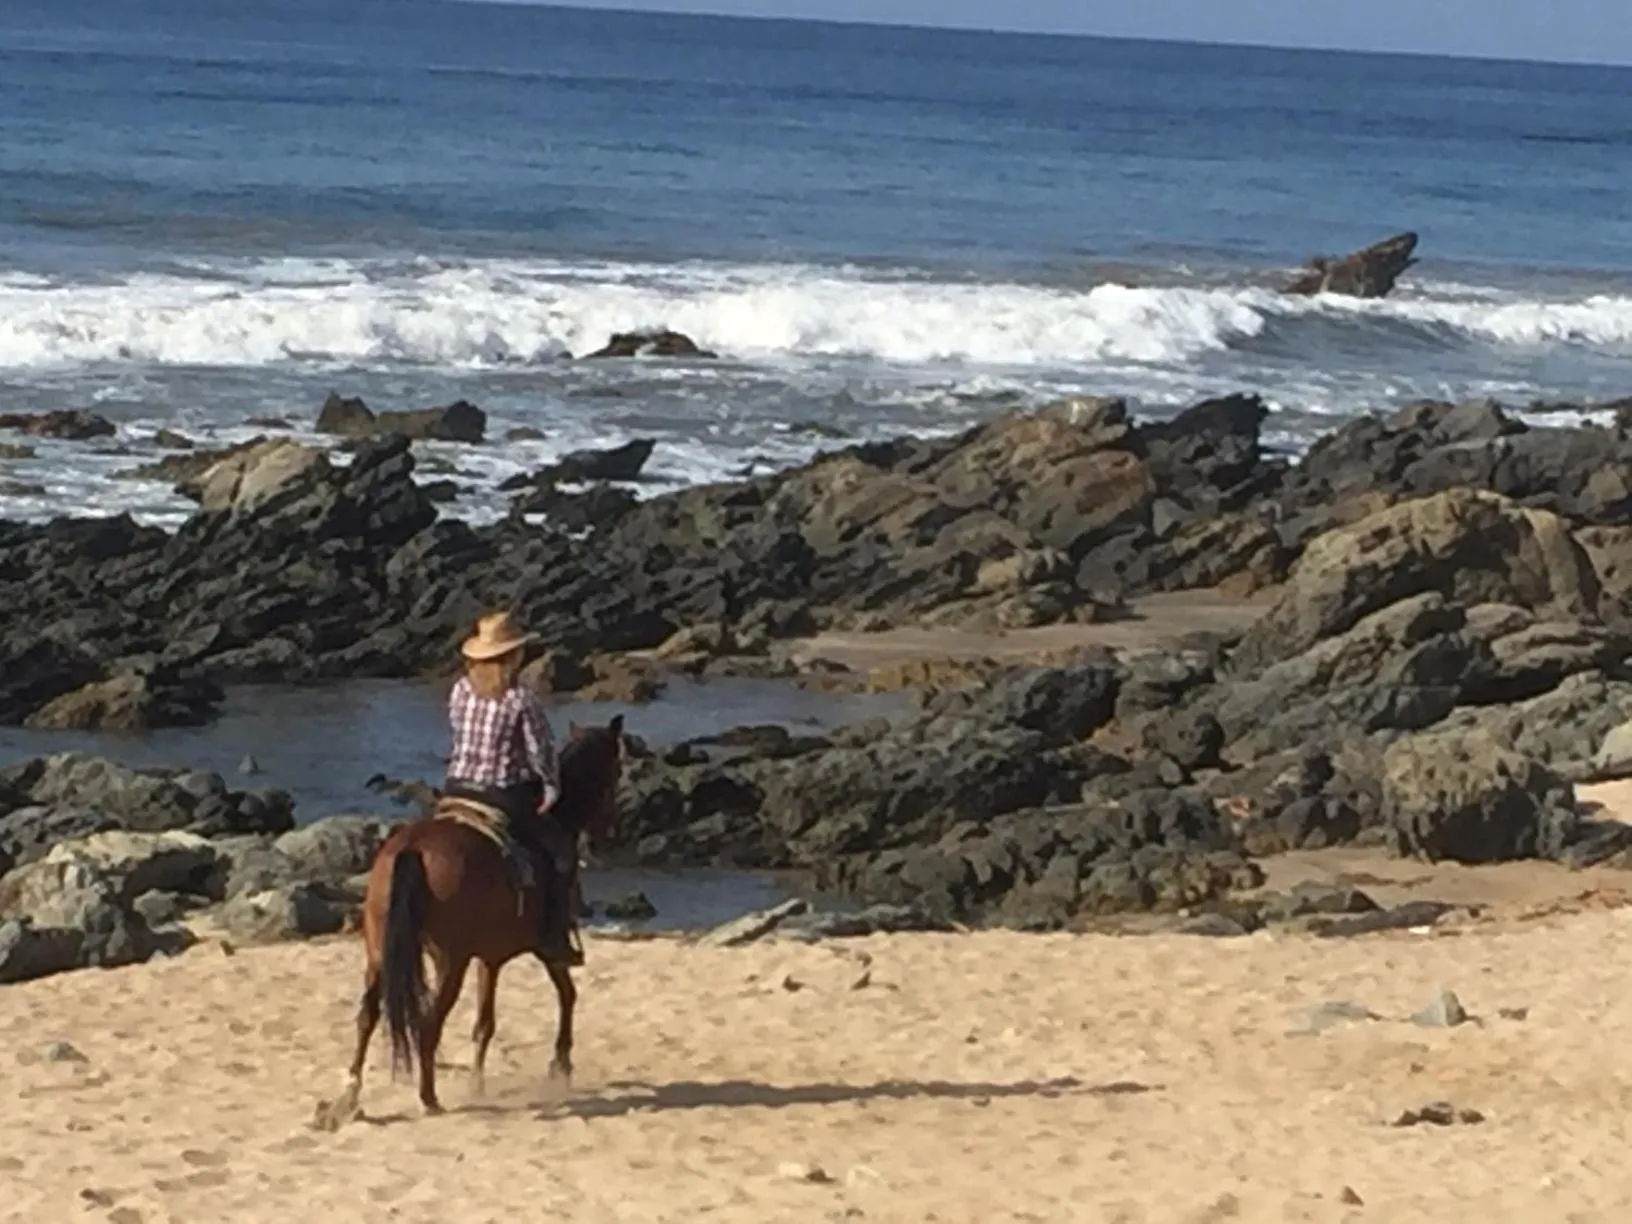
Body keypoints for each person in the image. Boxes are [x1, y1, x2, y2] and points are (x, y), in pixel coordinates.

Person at [442, 611, 582, 966]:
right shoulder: (520, 699)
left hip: (457, 787)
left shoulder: (460, 690)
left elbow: (458, 731)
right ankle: (554, 934)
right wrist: (551, 787)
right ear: (514, 656)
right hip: (500, 793)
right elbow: (541, 751)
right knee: (560, 853)